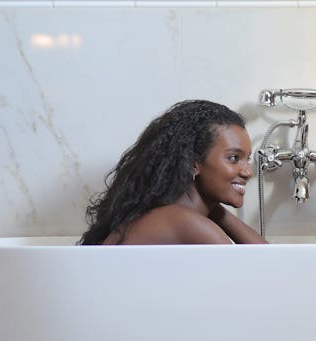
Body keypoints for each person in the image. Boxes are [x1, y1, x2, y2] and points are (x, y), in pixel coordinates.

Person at [80, 99, 268, 245]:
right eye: (234, 158)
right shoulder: (188, 223)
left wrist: (215, 210)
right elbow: (271, 270)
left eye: (247, 159)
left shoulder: (174, 213)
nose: (247, 172)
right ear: (194, 162)